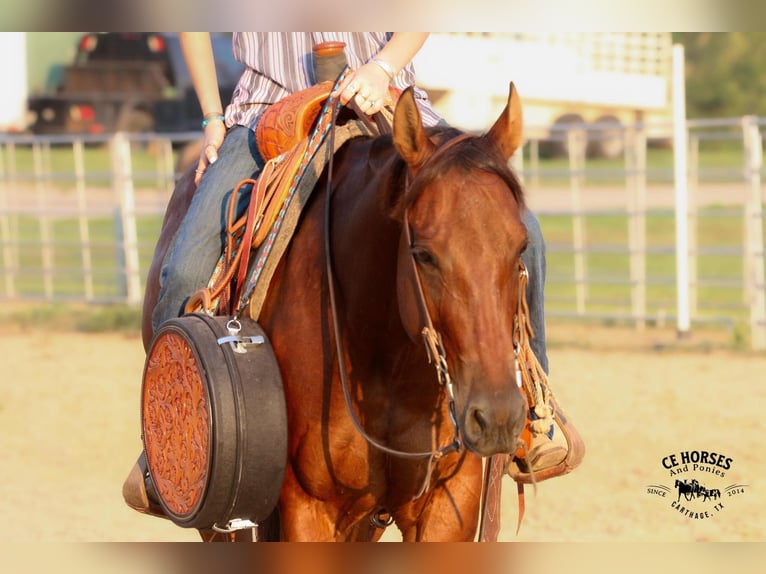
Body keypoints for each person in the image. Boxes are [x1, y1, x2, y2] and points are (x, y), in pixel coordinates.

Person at [125, 33, 569, 517]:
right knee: (186, 268)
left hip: (387, 99)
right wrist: (212, 118)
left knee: (527, 234)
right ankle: (176, 442)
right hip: (267, 112)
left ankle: (534, 409)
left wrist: (382, 66)